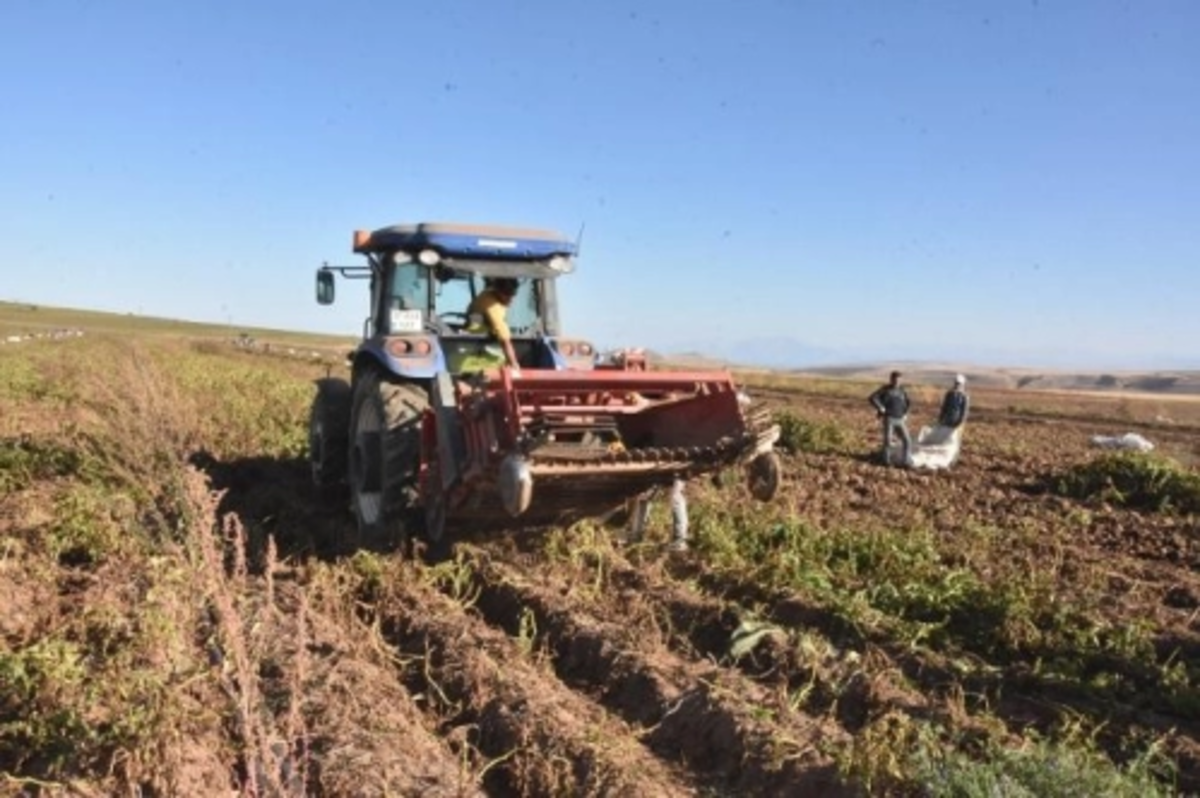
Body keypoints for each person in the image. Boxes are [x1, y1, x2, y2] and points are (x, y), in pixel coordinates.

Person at [464, 276, 522, 372]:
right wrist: (514, 364)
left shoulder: (487, 295)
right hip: (474, 349)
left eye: (513, 293)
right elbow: (505, 340)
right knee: (500, 359)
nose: (511, 298)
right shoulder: (492, 305)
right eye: (507, 293)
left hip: (475, 343)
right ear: (497, 290)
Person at [627, 477, 689, 552]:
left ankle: (679, 541)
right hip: (661, 473)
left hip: (674, 471)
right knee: (644, 498)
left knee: (675, 497)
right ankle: (635, 537)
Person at [868, 370, 912, 467]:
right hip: (889, 418)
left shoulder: (902, 391)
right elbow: (872, 398)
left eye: (899, 380)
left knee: (907, 440)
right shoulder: (885, 389)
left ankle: (906, 462)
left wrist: (905, 413)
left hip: (900, 419)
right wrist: (880, 407)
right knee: (888, 441)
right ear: (891, 380)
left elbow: (908, 403)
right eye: (895, 380)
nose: (897, 382)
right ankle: (886, 461)